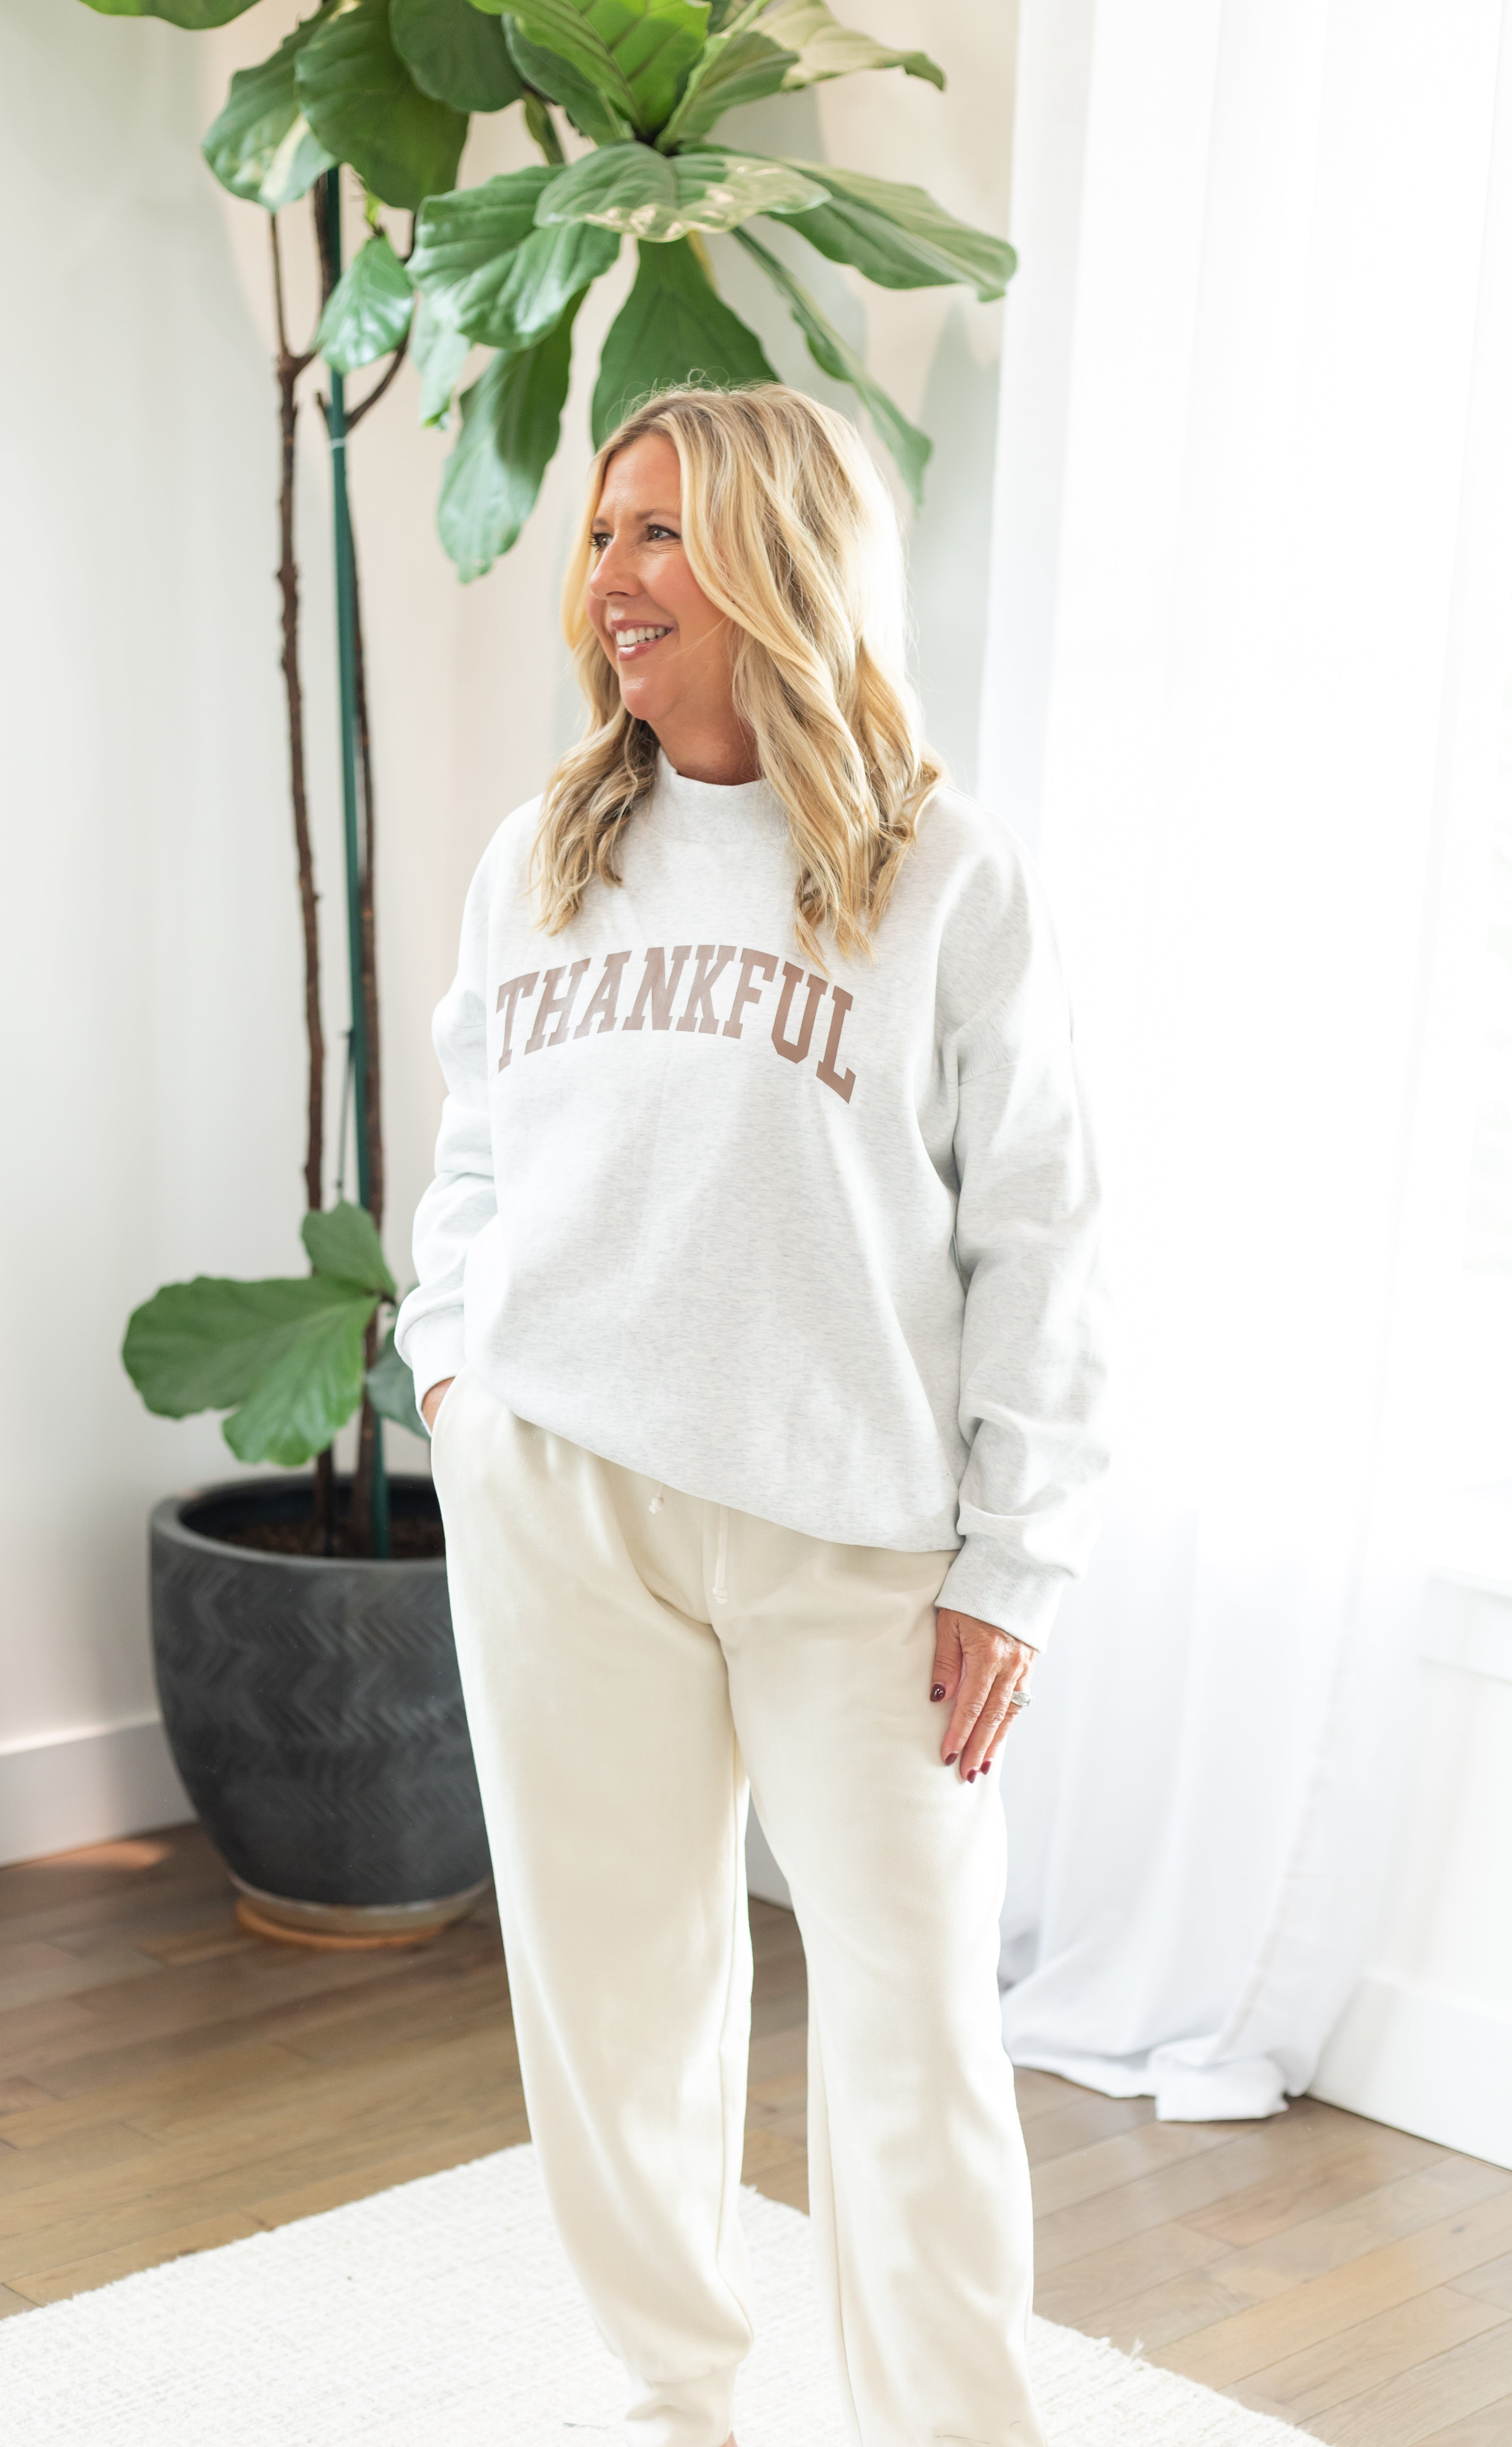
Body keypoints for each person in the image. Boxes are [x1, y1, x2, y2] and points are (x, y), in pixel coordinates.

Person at [396, 384, 1106, 2447]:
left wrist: (1019, 1560)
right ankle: (678, 2403)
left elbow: (1050, 1241)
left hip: (858, 1542)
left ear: (784, 563)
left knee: (913, 2026)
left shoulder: (944, 874)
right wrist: (457, 1375)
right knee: (613, 2005)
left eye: (660, 536)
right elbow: (471, 1159)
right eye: (604, 535)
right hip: (559, 1496)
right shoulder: (541, 856)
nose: (609, 582)